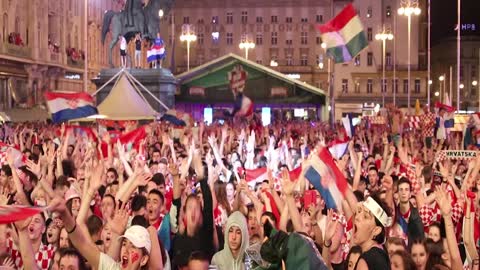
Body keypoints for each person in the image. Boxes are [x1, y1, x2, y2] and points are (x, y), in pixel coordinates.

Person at [352, 195, 391, 270]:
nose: (357, 217)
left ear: (376, 230)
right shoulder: (380, 253)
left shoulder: (369, 259)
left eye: (365, 216)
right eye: (359, 212)